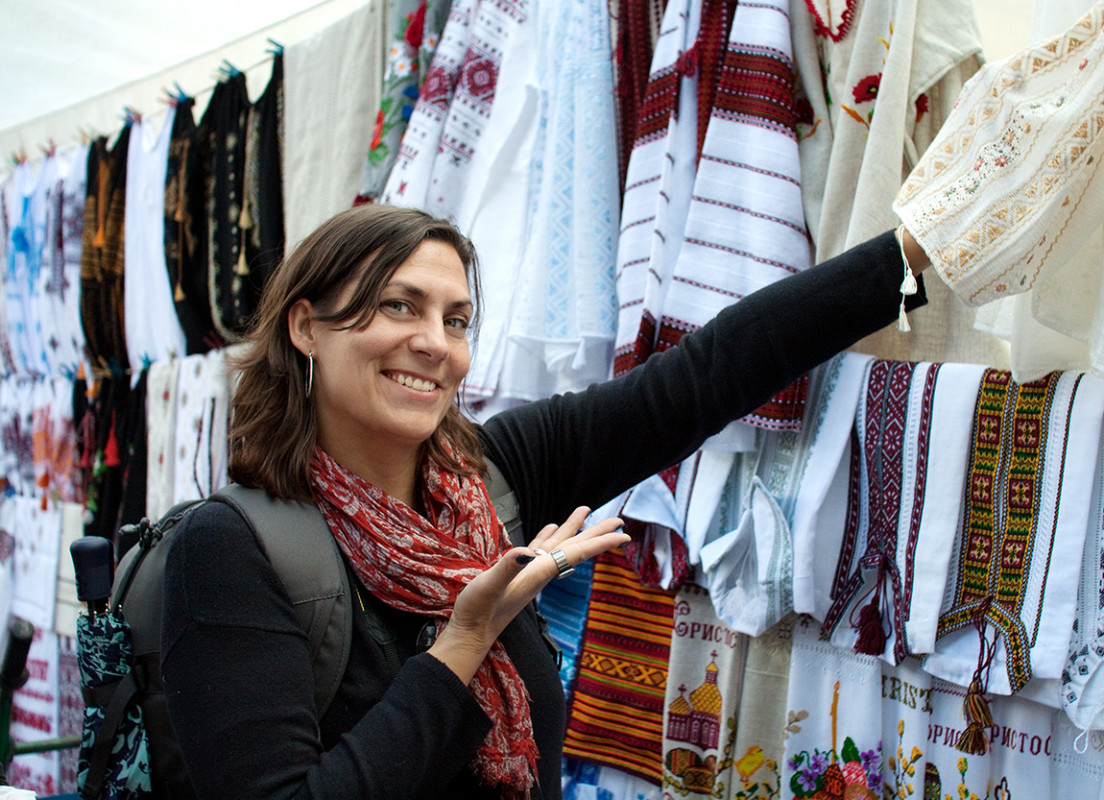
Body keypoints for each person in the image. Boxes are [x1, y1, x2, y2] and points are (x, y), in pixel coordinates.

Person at [160, 204, 930, 799]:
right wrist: (462, 644)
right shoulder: (232, 549)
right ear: (306, 326)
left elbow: (705, 375)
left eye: (456, 320)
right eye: (399, 306)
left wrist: (913, 251)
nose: (436, 343)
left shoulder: (494, 478)